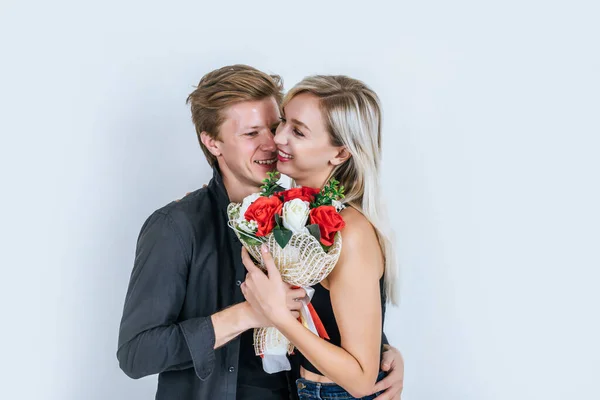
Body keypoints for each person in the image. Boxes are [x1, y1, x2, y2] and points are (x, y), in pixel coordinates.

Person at [117, 65, 404, 399]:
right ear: (212, 143)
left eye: (276, 125)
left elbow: (338, 312)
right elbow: (136, 355)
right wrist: (247, 314)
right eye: (252, 134)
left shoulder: (304, 214)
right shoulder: (176, 226)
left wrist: (383, 355)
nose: (272, 143)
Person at [240, 75, 398, 399]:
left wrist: (279, 317)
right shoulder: (301, 209)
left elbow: (360, 381)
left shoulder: (351, 232)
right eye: (283, 121)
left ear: (339, 153)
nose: (277, 137)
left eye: (298, 131)